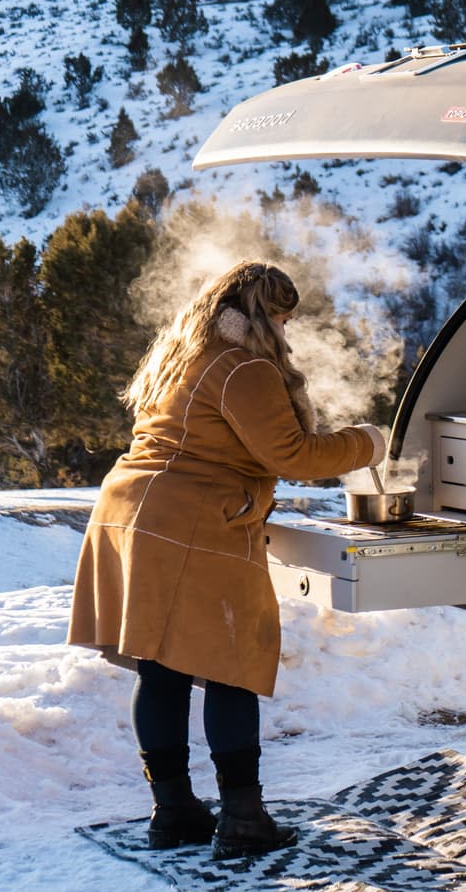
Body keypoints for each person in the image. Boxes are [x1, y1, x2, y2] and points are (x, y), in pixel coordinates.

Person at [67, 261, 384, 858]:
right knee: (230, 666)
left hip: (132, 511)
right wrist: (369, 441)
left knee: (162, 669)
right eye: (285, 319)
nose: (288, 332)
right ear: (267, 315)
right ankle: (243, 820)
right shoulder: (245, 369)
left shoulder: (185, 349)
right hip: (191, 522)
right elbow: (292, 454)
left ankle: (174, 813)